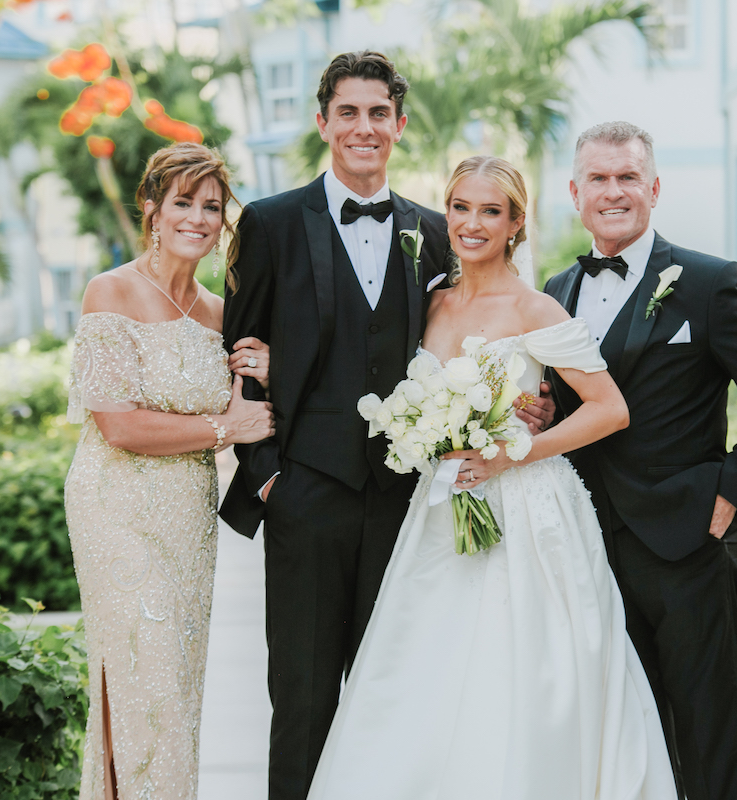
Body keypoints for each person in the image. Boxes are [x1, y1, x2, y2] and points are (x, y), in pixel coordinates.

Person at [306, 156, 677, 800]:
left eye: (490, 211)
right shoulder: (430, 303)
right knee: (428, 666)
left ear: (516, 225)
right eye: (461, 208)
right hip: (442, 503)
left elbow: (610, 410)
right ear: (445, 213)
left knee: (521, 668)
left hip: (528, 510)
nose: (472, 224)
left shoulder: (535, 309)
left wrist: (516, 452)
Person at [217, 51, 463, 800]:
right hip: (306, 494)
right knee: (303, 698)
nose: (365, 127)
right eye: (349, 112)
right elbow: (240, 354)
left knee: (394, 696)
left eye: (379, 113)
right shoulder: (271, 223)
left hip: (406, 501)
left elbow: (464, 346)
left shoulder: (435, 230)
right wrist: (268, 482)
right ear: (322, 122)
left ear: (400, 124)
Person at [544, 122, 737, 800]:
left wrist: (729, 495)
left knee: (710, 737)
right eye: (598, 179)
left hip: (693, 545)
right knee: (631, 739)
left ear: (654, 188)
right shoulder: (555, 291)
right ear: (576, 193)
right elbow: (565, 407)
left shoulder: (710, 283)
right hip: (593, 552)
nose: (613, 192)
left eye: (628, 177)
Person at [64, 142, 274, 800]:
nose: (198, 218)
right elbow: (118, 425)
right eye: (183, 202)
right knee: (138, 671)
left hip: (189, 515)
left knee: (176, 681)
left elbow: (250, 420)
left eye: (211, 206)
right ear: (151, 209)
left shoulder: (220, 312)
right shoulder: (113, 290)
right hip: (117, 506)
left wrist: (263, 375)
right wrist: (224, 430)